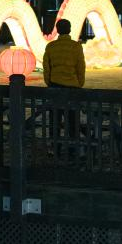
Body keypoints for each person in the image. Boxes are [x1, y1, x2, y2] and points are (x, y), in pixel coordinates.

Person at [42, 19, 86, 157]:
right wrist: (79, 84)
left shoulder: (51, 47)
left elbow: (46, 68)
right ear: (70, 29)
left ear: (57, 30)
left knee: (55, 120)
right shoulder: (76, 47)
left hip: (55, 88)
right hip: (72, 89)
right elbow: (80, 68)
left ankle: (55, 148)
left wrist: (49, 83)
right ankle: (73, 148)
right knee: (72, 121)